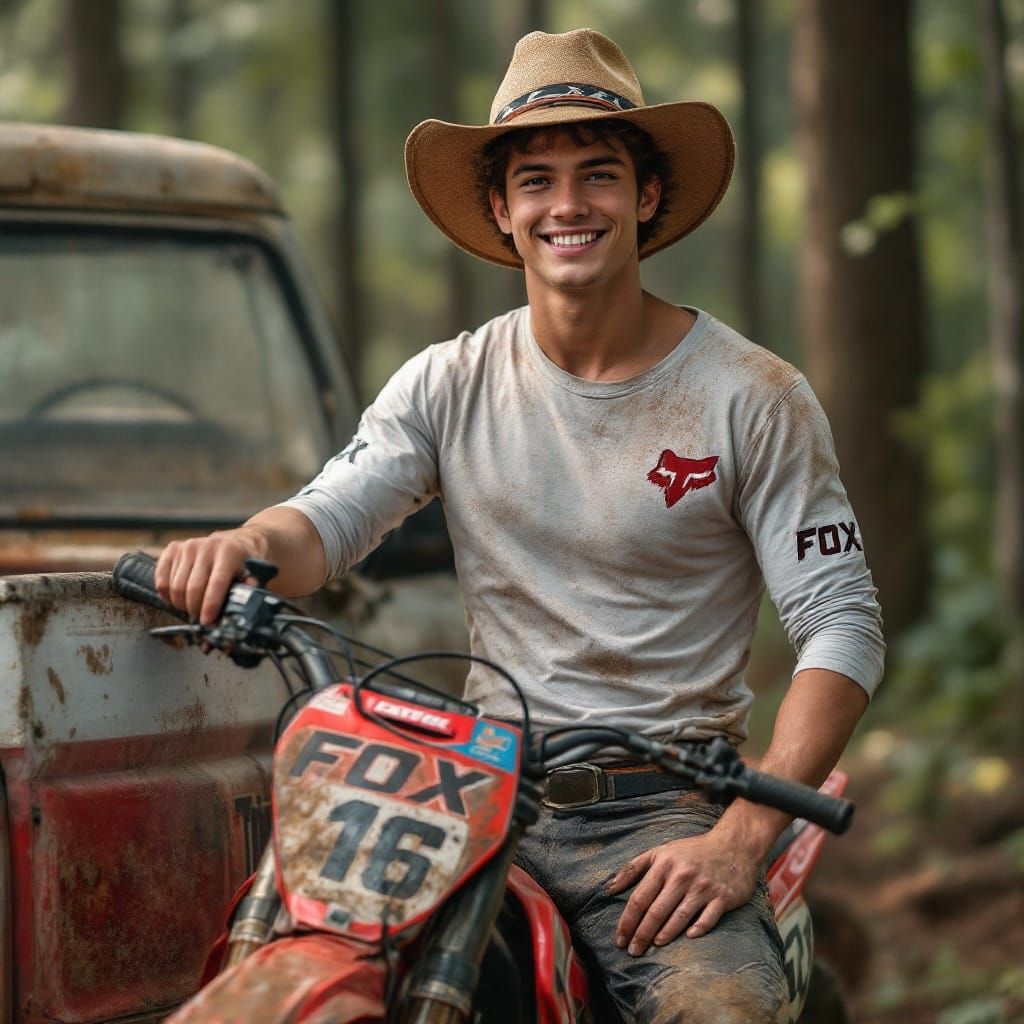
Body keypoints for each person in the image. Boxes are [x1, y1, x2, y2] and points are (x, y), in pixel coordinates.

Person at [155, 28, 884, 1024]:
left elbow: (840, 621)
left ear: (646, 195)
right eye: (535, 180)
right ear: (502, 210)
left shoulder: (750, 395)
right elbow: (328, 519)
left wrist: (742, 834)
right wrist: (245, 545)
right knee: (295, 946)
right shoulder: (449, 381)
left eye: (598, 173)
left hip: (663, 804)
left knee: (723, 1012)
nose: (567, 205)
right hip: (466, 786)